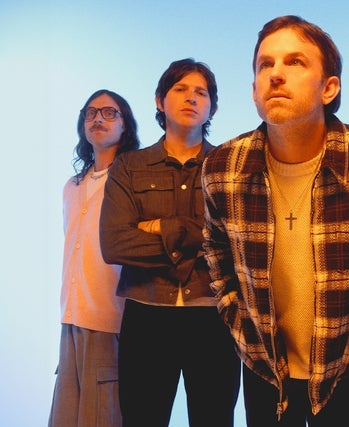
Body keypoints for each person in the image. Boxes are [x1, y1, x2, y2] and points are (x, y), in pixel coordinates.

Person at [202, 15, 349, 427]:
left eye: (295, 62)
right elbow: (215, 247)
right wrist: (233, 312)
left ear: (329, 88)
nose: (276, 74)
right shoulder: (222, 167)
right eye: (265, 64)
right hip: (264, 368)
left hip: (348, 367)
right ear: (254, 90)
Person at [99, 58, 240, 427]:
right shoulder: (129, 167)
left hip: (214, 315)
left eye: (201, 93)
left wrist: (160, 227)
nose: (191, 98)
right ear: (160, 101)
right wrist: (200, 238)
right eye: (180, 89)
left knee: (214, 419)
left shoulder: (229, 167)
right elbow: (114, 243)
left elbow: (237, 241)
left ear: (212, 108)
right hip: (146, 314)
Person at [49, 89, 140, 426]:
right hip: (71, 319)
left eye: (109, 112)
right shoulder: (72, 186)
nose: (98, 118)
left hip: (110, 321)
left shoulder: (132, 182)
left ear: (125, 125)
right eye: (91, 112)